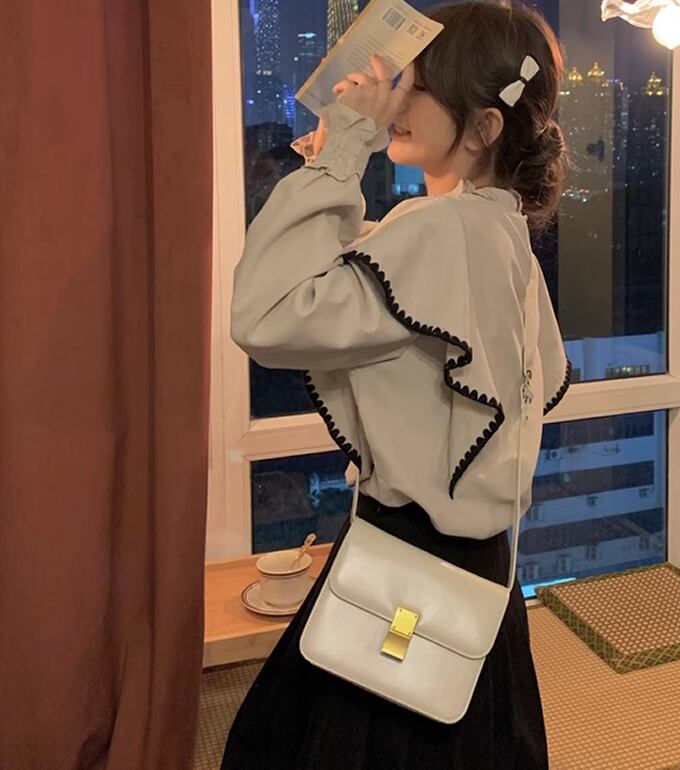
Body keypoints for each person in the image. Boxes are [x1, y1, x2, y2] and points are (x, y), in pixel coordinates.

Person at [221, 2, 572, 767]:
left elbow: (265, 315)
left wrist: (343, 152)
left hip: (406, 572)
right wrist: (335, 157)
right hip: (475, 571)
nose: (397, 100)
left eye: (419, 86)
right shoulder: (497, 230)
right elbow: (358, 277)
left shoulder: (444, 230)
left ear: (482, 127)